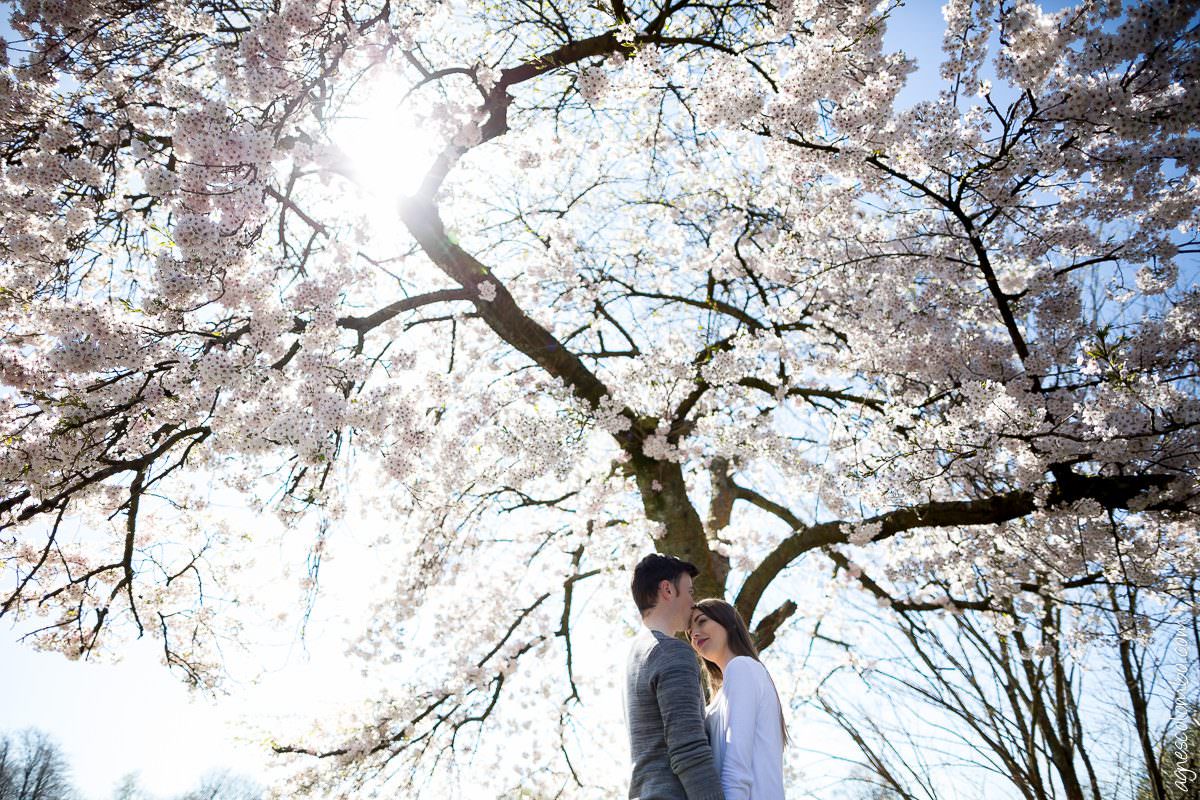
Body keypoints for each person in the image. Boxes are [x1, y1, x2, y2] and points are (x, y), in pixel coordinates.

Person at [625, 553, 726, 800]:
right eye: (689, 591)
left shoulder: (633, 655)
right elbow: (688, 748)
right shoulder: (670, 651)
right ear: (667, 589)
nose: (693, 603)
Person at [689, 599, 787, 800]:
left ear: (728, 622)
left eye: (701, 621)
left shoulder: (742, 667)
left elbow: (737, 767)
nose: (694, 633)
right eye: (689, 632)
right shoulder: (718, 698)